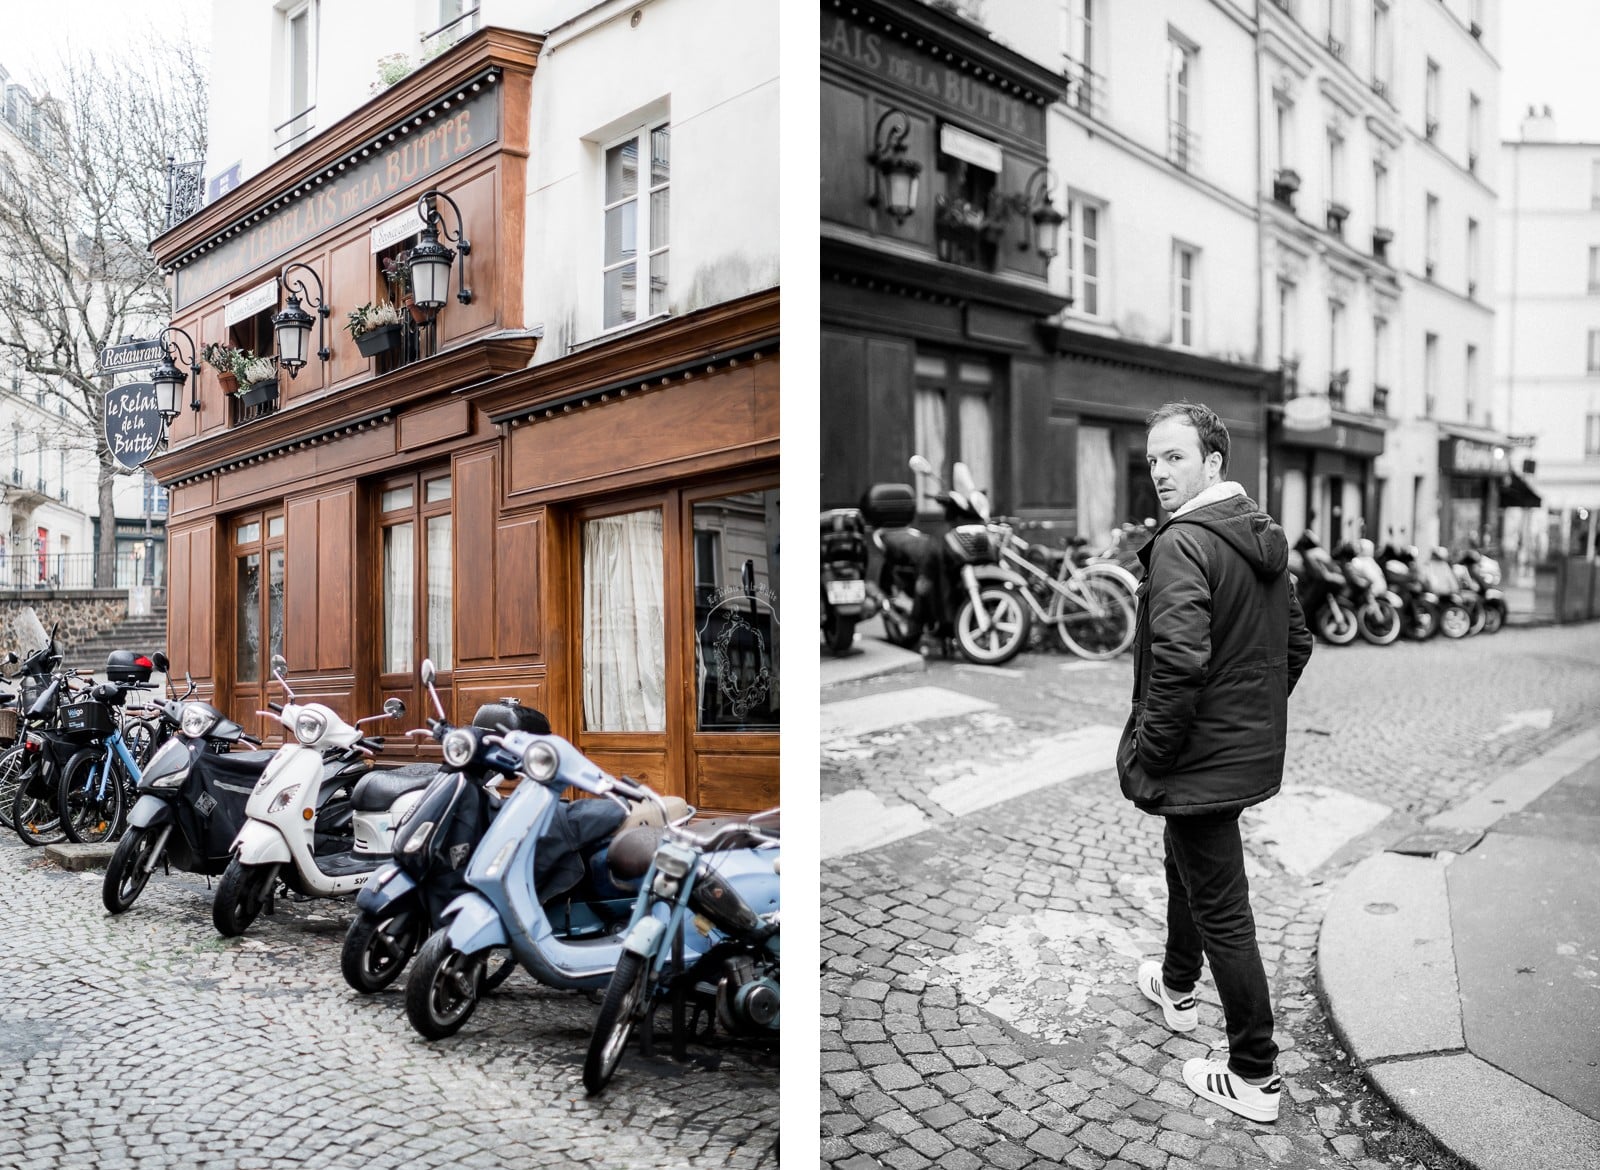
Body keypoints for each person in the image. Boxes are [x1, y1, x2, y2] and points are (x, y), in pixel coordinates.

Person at [1116, 401, 1313, 1124]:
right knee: (1187, 866)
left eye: (1173, 457)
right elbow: (1294, 648)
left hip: (1196, 760)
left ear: (1212, 464)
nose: (1159, 472)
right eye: (1152, 460)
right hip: (1231, 756)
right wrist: (1245, 723)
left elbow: (1177, 662)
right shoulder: (1256, 534)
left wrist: (1155, 752)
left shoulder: (1184, 543)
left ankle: (1254, 1074)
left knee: (1224, 910)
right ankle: (1175, 986)